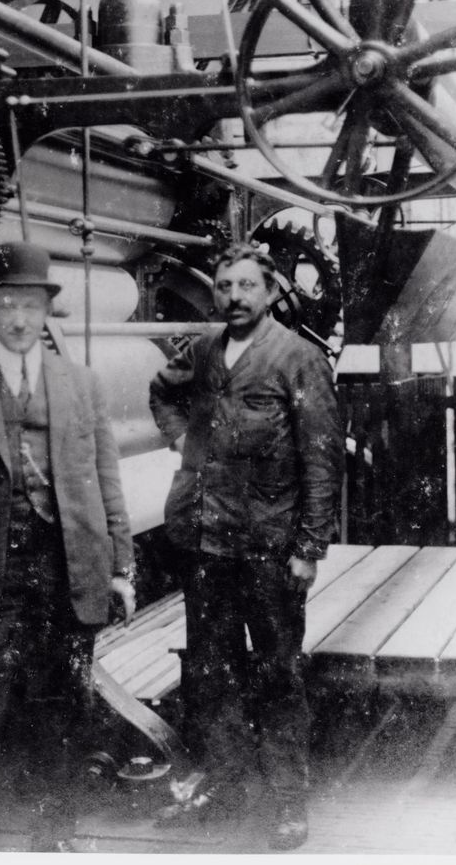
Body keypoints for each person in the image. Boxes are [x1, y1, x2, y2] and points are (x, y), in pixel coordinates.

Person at [0, 241, 135, 807]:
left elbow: (108, 482)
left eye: (30, 306)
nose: (18, 319)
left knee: (62, 707)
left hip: (65, 573)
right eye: (7, 304)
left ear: (46, 313)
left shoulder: (82, 385)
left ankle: (53, 838)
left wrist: (122, 569)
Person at [148, 242, 343, 852]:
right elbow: (163, 392)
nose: (234, 296)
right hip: (207, 544)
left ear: (269, 291)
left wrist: (309, 546)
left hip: (269, 547)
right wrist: (185, 443)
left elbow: (322, 457)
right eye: (225, 286)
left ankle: (287, 803)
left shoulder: (298, 358)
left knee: (278, 676)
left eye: (246, 286)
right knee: (210, 673)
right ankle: (227, 786)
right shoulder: (205, 352)